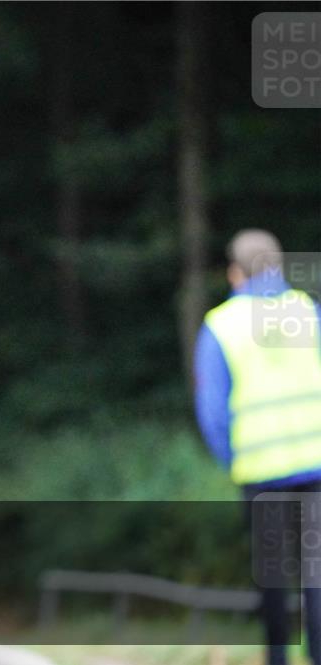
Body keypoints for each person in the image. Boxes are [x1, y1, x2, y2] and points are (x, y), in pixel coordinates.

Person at [194, 229, 321, 665]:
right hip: (317, 467)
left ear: (235, 272)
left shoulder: (220, 325)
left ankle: (278, 660)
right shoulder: (308, 310)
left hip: (260, 471)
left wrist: (234, 458)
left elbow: (212, 412)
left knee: (272, 578)